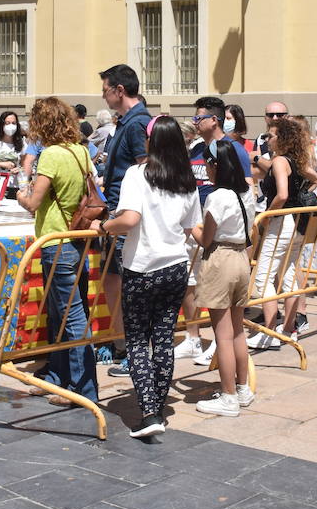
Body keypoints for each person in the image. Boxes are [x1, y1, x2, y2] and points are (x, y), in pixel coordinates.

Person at [93, 115, 201, 438]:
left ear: (151, 142)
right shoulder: (185, 180)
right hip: (175, 267)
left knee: (139, 340)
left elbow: (129, 218)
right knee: (164, 339)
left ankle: (150, 411)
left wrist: (104, 226)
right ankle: (158, 404)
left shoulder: (137, 174)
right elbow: (189, 227)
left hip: (143, 268)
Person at [16, 97, 99, 404]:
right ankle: (57, 376)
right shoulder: (80, 150)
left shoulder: (51, 154)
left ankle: (81, 387)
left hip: (56, 241)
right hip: (76, 238)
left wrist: (21, 195)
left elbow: (34, 202)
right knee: (60, 313)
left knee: (69, 315)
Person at [177, 97, 253, 363]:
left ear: (214, 120)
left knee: (217, 294)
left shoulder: (233, 150)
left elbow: (245, 190)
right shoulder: (197, 149)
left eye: (199, 118)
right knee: (191, 283)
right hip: (201, 222)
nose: (195, 123)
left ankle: (220, 346)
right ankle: (193, 337)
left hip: (217, 234)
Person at [189, 138, 256, 416]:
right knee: (238, 329)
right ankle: (242, 389)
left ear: (216, 166)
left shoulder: (218, 197)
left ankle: (228, 396)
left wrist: (190, 228)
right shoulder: (246, 194)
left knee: (223, 334)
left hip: (222, 259)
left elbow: (206, 239)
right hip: (241, 257)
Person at [98, 64, 151, 375]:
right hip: (118, 211)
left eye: (105, 90)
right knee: (114, 281)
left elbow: (145, 171)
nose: (103, 96)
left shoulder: (136, 124)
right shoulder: (128, 122)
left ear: (119, 90)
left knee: (128, 285)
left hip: (126, 216)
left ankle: (134, 350)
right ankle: (122, 344)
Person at [252, 117, 317, 344]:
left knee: (263, 278)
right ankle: (288, 328)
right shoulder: (296, 160)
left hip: (282, 222)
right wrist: (301, 196)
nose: (267, 139)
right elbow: (316, 178)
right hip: (297, 223)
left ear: (281, 138)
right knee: (289, 275)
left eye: (270, 136)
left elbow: (281, 194)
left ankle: (269, 333)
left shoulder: (281, 161)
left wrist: (266, 217)